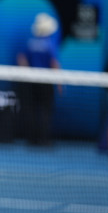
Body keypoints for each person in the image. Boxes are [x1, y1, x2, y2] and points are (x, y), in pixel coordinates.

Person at [16, 12, 62, 146]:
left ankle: (31, 139)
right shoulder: (50, 43)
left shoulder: (30, 42)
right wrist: (59, 83)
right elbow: (54, 63)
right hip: (45, 82)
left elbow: (21, 59)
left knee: (31, 109)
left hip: (30, 81)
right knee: (45, 110)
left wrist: (25, 74)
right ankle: (44, 139)